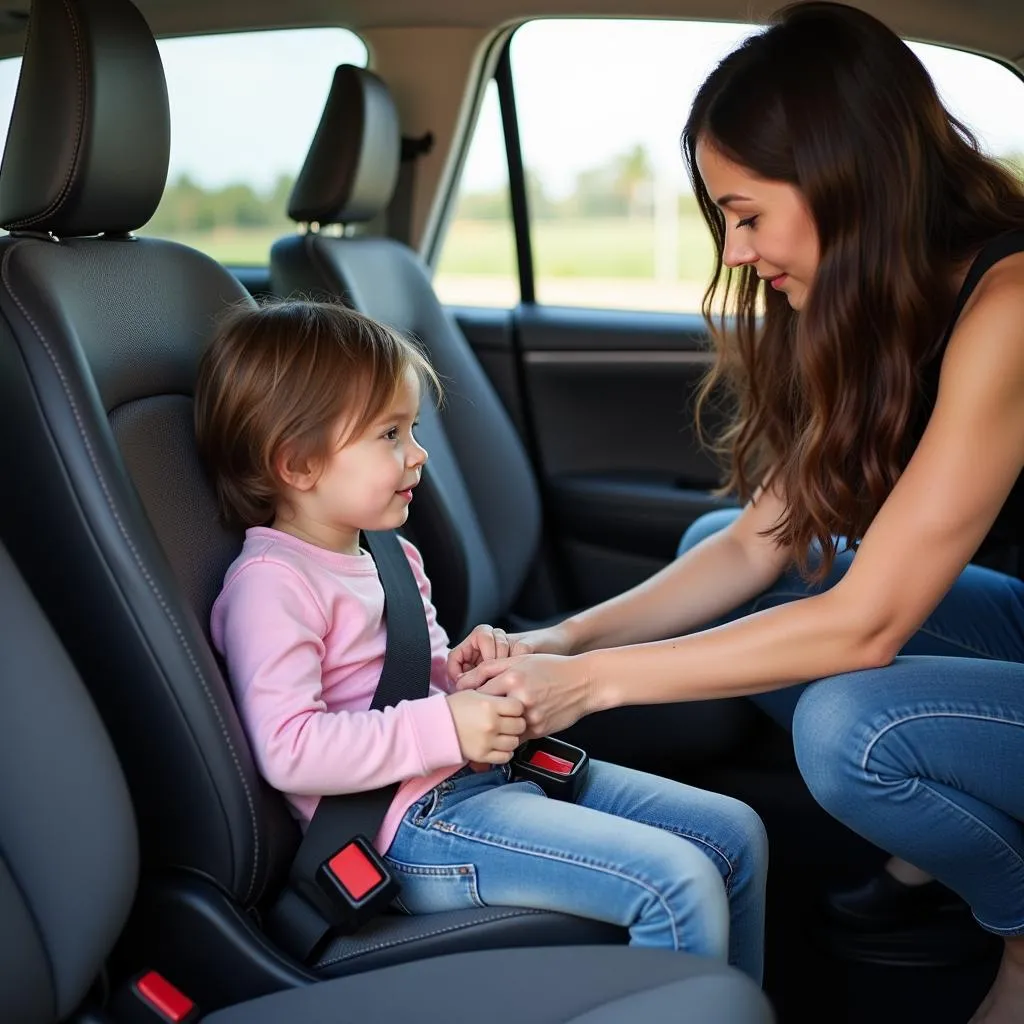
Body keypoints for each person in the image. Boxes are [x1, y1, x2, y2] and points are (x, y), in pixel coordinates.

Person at [452, 4, 1024, 1021]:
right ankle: (935, 844)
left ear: (846, 177)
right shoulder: (876, 304)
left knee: (852, 727)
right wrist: (560, 634)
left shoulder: (1009, 304)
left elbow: (869, 624)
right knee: (716, 546)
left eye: (747, 211)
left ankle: (1017, 932)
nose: (734, 246)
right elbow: (765, 537)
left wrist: (584, 684)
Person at [193, 299, 767, 980]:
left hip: (479, 782)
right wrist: (446, 725)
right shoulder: (272, 584)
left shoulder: (390, 555)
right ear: (298, 464)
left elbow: (414, 676)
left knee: (735, 833)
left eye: (411, 428)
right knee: (676, 881)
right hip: (409, 831)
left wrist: (463, 677)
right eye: (390, 435)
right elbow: (290, 751)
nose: (419, 453)